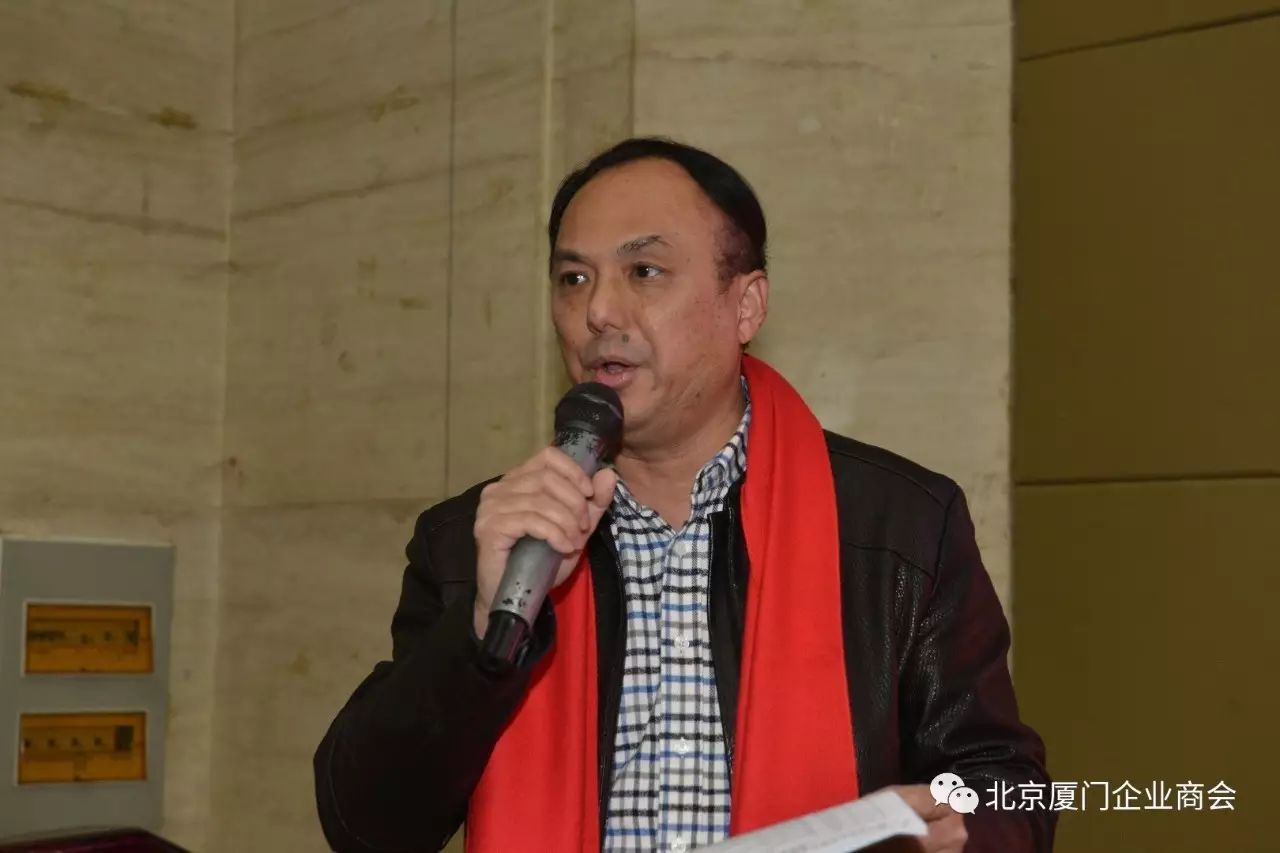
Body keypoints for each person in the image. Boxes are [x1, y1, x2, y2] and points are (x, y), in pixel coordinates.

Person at [314, 138, 1054, 853]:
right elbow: (369, 827)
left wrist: (958, 833)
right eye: (573, 279)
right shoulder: (477, 541)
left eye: (644, 271)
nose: (599, 311)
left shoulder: (898, 527)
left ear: (746, 305)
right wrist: (481, 636)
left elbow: (1011, 790)